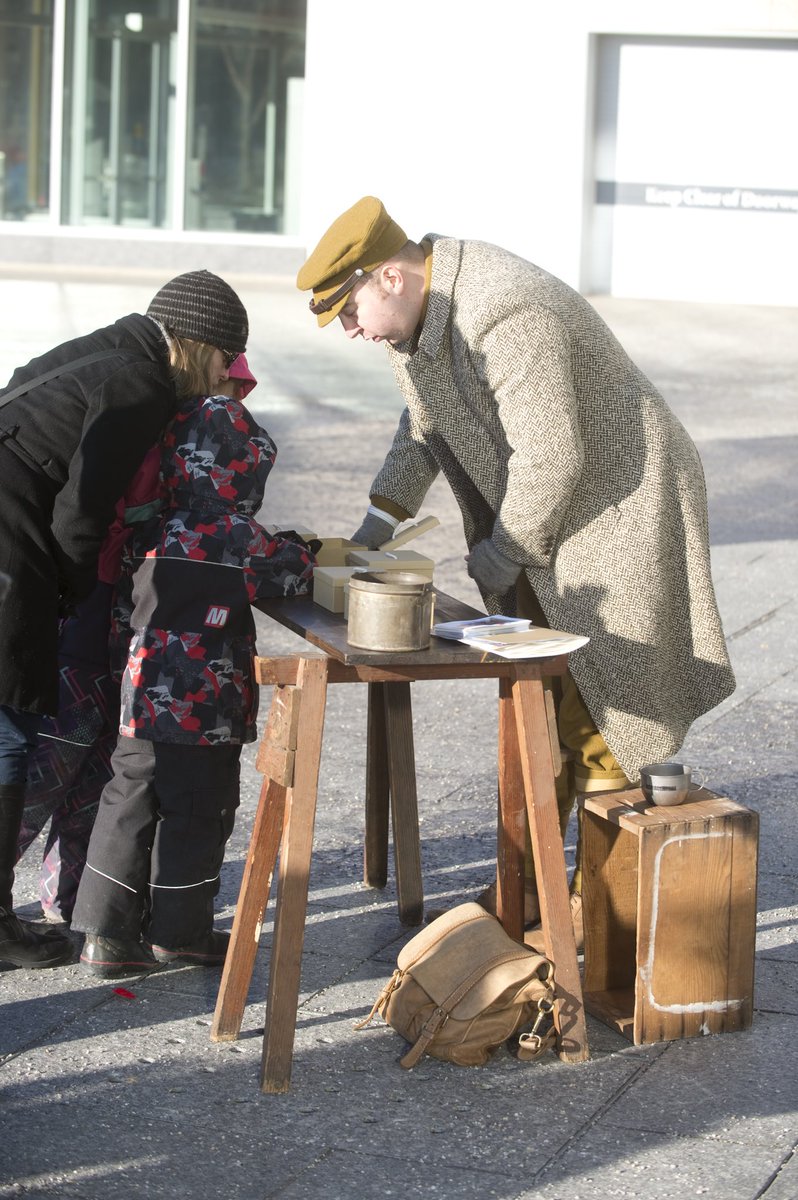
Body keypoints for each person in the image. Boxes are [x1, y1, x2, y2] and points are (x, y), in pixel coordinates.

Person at [296, 195, 736, 937]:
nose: (350, 329)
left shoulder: (503, 309)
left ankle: (597, 913)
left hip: (617, 510)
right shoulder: (426, 320)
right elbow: (422, 429)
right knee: (540, 700)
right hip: (549, 516)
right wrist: (376, 525)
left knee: (602, 712)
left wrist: (500, 556)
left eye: (349, 309)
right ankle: (528, 892)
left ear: (392, 278)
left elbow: (552, 458)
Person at [0, 268, 249, 968]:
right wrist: (69, 592)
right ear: (201, 348)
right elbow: (84, 510)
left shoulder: (108, 348)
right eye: (223, 361)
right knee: (14, 733)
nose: (223, 377)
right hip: (10, 544)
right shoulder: (141, 384)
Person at [71, 385, 316, 977]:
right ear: (249, 470)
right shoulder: (239, 540)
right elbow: (293, 574)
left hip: (141, 700)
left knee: (128, 798)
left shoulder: (150, 530)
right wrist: (297, 548)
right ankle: (179, 932)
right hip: (207, 711)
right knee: (197, 811)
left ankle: (104, 934)